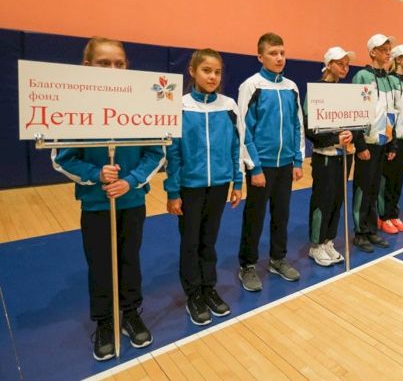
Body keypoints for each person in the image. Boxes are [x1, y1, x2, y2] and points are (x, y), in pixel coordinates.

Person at [52, 37, 165, 361]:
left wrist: (131, 181)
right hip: (97, 203)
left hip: (132, 201)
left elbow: (156, 152)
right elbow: (62, 158)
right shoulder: (74, 108)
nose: (113, 69)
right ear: (87, 66)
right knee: (101, 264)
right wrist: (96, 174)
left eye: (119, 63)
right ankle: (104, 321)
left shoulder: (143, 105)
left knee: (130, 259)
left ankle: (130, 313)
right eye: (104, 64)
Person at [164, 49, 242, 325]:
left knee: (209, 241)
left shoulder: (228, 106)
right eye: (206, 70)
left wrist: (238, 181)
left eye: (217, 72)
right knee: (190, 242)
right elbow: (173, 154)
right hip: (190, 187)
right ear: (192, 71)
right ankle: (193, 294)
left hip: (219, 185)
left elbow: (236, 146)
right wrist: (173, 192)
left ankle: (208, 288)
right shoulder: (180, 106)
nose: (212, 77)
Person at [237, 32, 304, 291]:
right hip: (261, 166)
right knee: (254, 217)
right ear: (260, 56)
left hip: (285, 164)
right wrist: (254, 166)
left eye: (282, 53)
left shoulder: (291, 87)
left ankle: (277, 259)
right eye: (273, 53)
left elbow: (297, 124)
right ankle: (247, 265)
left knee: (281, 214)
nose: (279, 58)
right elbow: (244, 129)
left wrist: (297, 159)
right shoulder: (251, 86)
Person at [304, 46, 358, 266]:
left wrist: (351, 134)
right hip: (325, 156)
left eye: (347, 64)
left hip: (344, 156)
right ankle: (316, 245)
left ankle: (328, 241)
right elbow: (309, 128)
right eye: (340, 63)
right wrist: (334, 139)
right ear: (328, 65)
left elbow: (356, 121)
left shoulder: (346, 92)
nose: (345, 68)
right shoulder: (316, 91)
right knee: (322, 200)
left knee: (337, 200)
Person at [351, 34, 396, 252]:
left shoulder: (387, 79)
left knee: (374, 188)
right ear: (373, 52)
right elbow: (356, 111)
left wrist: (391, 143)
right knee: (363, 188)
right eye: (384, 50)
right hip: (367, 144)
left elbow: (390, 112)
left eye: (389, 50)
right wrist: (360, 144)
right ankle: (360, 232)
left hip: (382, 142)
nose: (388, 53)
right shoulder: (362, 76)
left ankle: (370, 229)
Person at [378, 44, 403, 234]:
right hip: (392, 141)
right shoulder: (389, 81)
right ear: (398, 59)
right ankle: (383, 216)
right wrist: (391, 141)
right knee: (387, 180)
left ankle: (394, 214)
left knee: (398, 180)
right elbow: (389, 112)